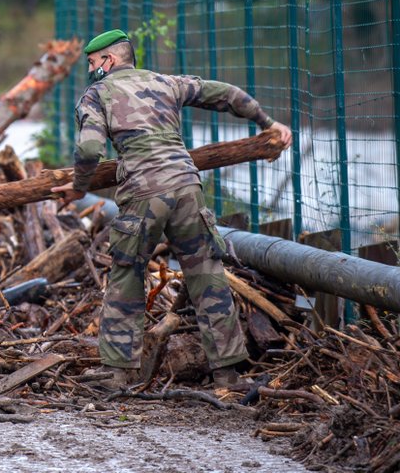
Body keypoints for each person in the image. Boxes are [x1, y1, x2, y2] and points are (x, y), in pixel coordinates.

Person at [51, 29, 293, 389]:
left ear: (109, 60)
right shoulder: (168, 83)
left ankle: (119, 374)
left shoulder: (97, 94)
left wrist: (78, 188)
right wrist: (267, 123)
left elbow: (89, 151)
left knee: (127, 274)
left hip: (142, 192)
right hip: (186, 186)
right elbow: (227, 94)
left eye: (92, 63)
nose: (90, 70)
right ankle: (227, 374)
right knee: (207, 275)